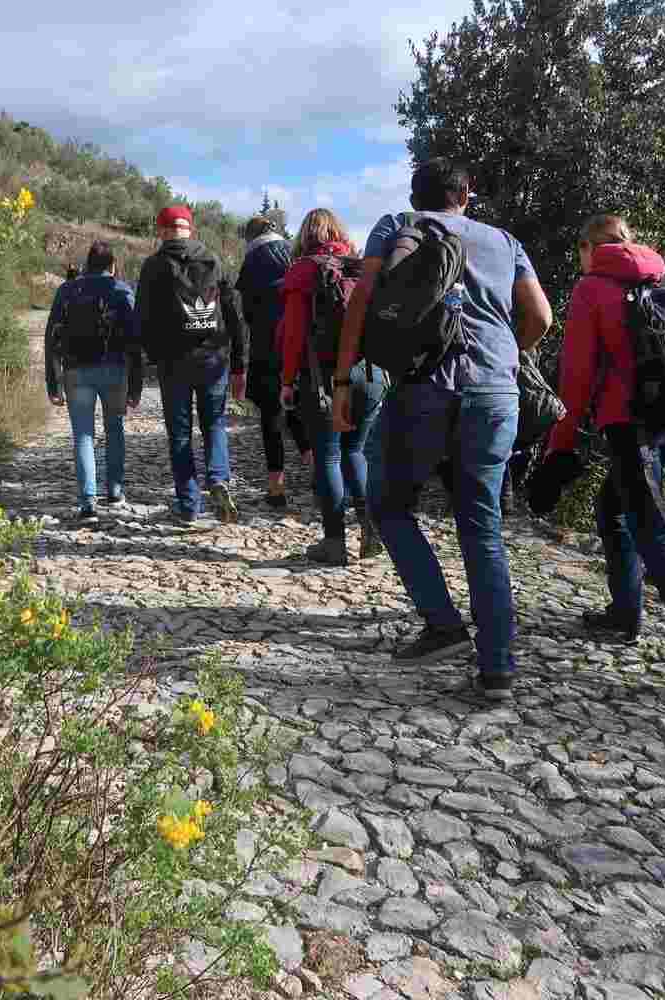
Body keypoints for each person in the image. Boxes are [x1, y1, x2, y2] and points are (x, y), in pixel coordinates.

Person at [334, 159, 553, 701]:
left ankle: (442, 622)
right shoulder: (505, 241)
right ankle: (497, 668)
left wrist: (344, 379)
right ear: (467, 194)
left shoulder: (395, 225)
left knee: (387, 504)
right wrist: (503, 357)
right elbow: (542, 317)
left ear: (416, 193)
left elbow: (361, 300)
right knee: (482, 524)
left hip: (424, 385)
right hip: (496, 392)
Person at [537, 212, 665, 694]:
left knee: (650, 532)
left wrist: (559, 447)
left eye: (579, 252)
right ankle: (624, 613)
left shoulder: (592, 288)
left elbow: (577, 376)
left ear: (589, 248)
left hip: (631, 425)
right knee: (613, 510)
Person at [275, 208, 387, 565]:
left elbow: (293, 335)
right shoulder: (359, 267)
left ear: (305, 236)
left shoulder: (303, 272)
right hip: (369, 374)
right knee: (357, 450)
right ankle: (371, 531)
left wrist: (287, 381)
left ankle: (335, 542)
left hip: (320, 377)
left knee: (329, 454)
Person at [137, 205, 247, 525]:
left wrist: (152, 358)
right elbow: (234, 315)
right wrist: (240, 362)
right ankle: (218, 478)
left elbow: (142, 318)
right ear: (190, 228)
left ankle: (188, 505)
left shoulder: (154, 266)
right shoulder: (213, 260)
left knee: (180, 434)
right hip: (214, 359)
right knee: (213, 423)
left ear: (162, 230)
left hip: (174, 363)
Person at [45, 241, 142, 521]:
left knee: (83, 436)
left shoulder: (67, 290)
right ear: (113, 265)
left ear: (87, 264)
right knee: (115, 429)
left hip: (76, 372)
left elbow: (52, 338)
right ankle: (114, 491)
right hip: (115, 370)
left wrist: (53, 383)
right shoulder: (123, 291)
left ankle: (88, 502)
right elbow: (135, 343)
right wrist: (135, 387)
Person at [236, 215, 312, 508]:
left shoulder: (252, 262)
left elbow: (250, 316)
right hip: (300, 348)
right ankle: (317, 471)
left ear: (250, 237)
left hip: (266, 351)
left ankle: (276, 488)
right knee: (297, 413)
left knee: (270, 419)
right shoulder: (295, 255)